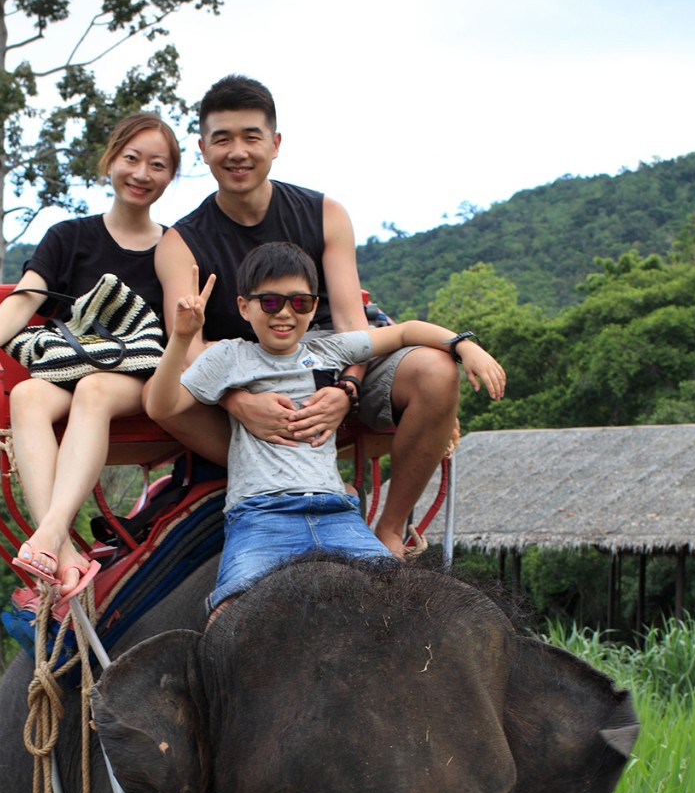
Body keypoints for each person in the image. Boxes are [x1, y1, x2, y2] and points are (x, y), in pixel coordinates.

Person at [150, 74, 462, 557]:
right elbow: (188, 348)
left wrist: (347, 389)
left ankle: (391, 527)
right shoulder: (180, 242)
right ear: (203, 149)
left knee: (437, 371)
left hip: (326, 361)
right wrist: (236, 400)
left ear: (275, 144)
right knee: (167, 398)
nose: (238, 152)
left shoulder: (325, 213)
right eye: (223, 139)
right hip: (241, 376)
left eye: (251, 137)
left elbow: (351, 325)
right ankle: (272, 482)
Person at [146, 241, 505, 612]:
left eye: (299, 302)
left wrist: (463, 346)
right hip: (262, 515)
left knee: (402, 605)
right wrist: (183, 337)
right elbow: (162, 405)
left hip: (335, 512)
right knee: (230, 611)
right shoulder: (229, 355)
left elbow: (404, 332)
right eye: (270, 302)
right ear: (244, 306)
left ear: (314, 306)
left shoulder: (327, 350)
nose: (284, 313)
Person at [0, 111, 178, 608]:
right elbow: (24, 298)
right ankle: (68, 553)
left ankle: (48, 536)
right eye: (131, 159)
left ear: (171, 175)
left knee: (96, 389)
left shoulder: (174, 246)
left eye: (158, 165)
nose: (142, 174)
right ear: (110, 161)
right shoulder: (70, 236)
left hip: (139, 376)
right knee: (28, 393)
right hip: (74, 368)